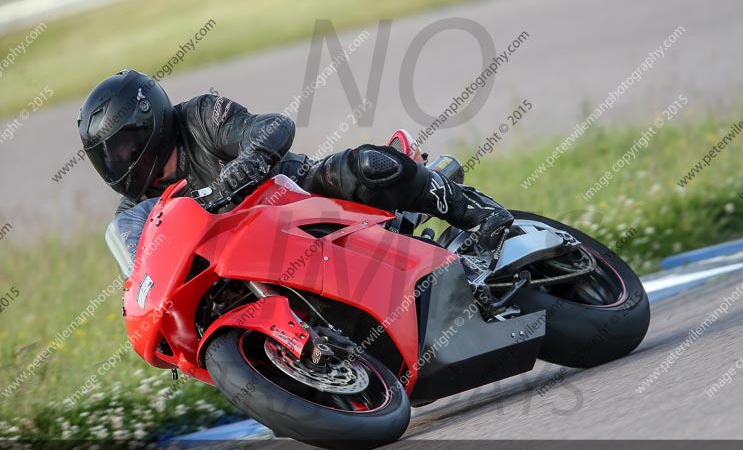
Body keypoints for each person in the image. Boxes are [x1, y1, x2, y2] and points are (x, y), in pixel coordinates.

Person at [78, 69, 513, 272]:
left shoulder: (199, 116)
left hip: (297, 196)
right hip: (248, 260)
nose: (119, 160)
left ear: (148, 124)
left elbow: (273, 126)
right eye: (109, 155)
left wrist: (241, 170)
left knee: (366, 166)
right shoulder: (132, 213)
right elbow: (146, 270)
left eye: (123, 146)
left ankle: (485, 215)